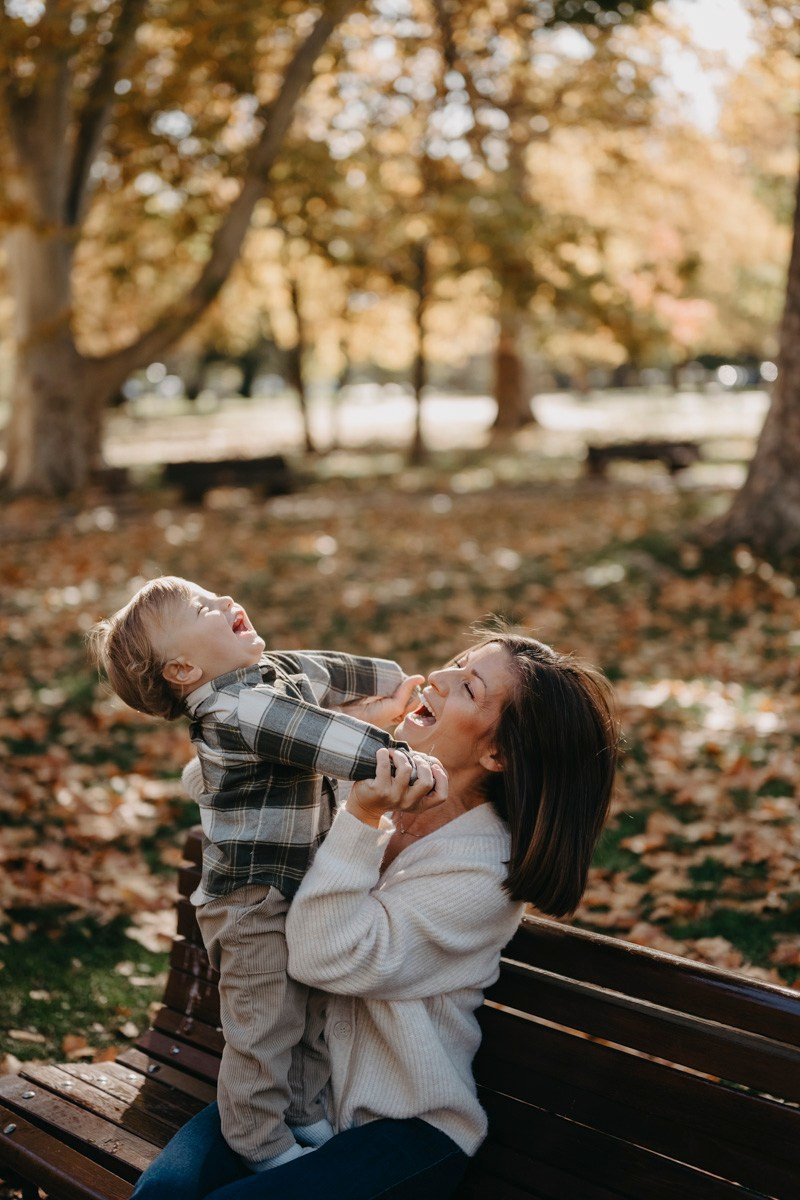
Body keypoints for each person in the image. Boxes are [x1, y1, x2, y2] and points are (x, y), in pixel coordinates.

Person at [130, 625, 620, 1200]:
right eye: (455, 662)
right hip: (287, 1094)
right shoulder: (366, 778)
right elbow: (210, 783)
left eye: (467, 687)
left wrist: (360, 821)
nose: (436, 678)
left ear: (498, 753)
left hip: (402, 1130)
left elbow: (323, 957)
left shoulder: (483, 873)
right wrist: (332, 733)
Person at [89, 576, 427, 1172]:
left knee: (309, 1012)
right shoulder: (237, 707)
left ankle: (303, 1112)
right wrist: (398, 757)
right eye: (201, 608)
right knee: (265, 1026)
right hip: (249, 905)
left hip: (293, 890)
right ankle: (256, 1140)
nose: (224, 601)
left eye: (214, 594)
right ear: (183, 670)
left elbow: (334, 672)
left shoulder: (274, 677)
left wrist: (393, 687)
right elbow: (332, 741)